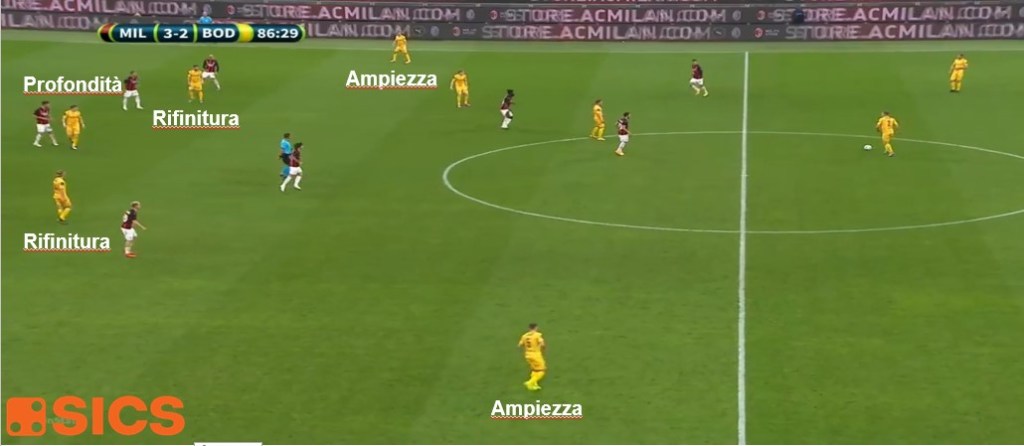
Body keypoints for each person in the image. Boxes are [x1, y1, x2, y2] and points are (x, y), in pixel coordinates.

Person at [518, 323, 546, 391]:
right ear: (536, 328)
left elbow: (520, 345)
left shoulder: (524, 336)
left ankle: (534, 385)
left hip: (528, 354)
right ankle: (530, 382)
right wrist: (542, 347)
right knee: (542, 370)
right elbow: (542, 344)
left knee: (535, 370)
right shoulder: (537, 335)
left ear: (529, 328)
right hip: (536, 355)